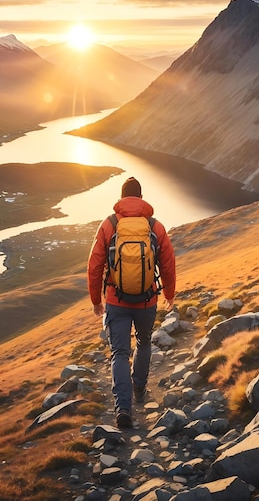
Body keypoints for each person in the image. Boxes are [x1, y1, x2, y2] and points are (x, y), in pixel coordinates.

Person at [87, 176, 176, 428]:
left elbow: (94, 265)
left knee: (119, 353)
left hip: (116, 299)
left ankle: (122, 408)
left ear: (122, 197)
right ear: (141, 197)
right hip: (147, 300)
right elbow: (168, 264)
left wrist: (96, 300)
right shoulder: (154, 226)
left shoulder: (109, 224)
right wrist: (169, 293)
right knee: (144, 342)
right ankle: (139, 388)